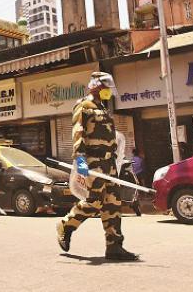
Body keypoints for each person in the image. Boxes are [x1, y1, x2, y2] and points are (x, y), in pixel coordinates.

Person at [56, 72, 138, 261]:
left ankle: (114, 246)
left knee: (113, 204)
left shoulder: (104, 109)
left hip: (109, 164)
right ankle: (66, 225)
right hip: (93, 163)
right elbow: (78, 134)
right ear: (96, 87)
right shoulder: (84, 106)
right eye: (106, 89)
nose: (109, 93)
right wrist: (81, 161)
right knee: (94, 202)